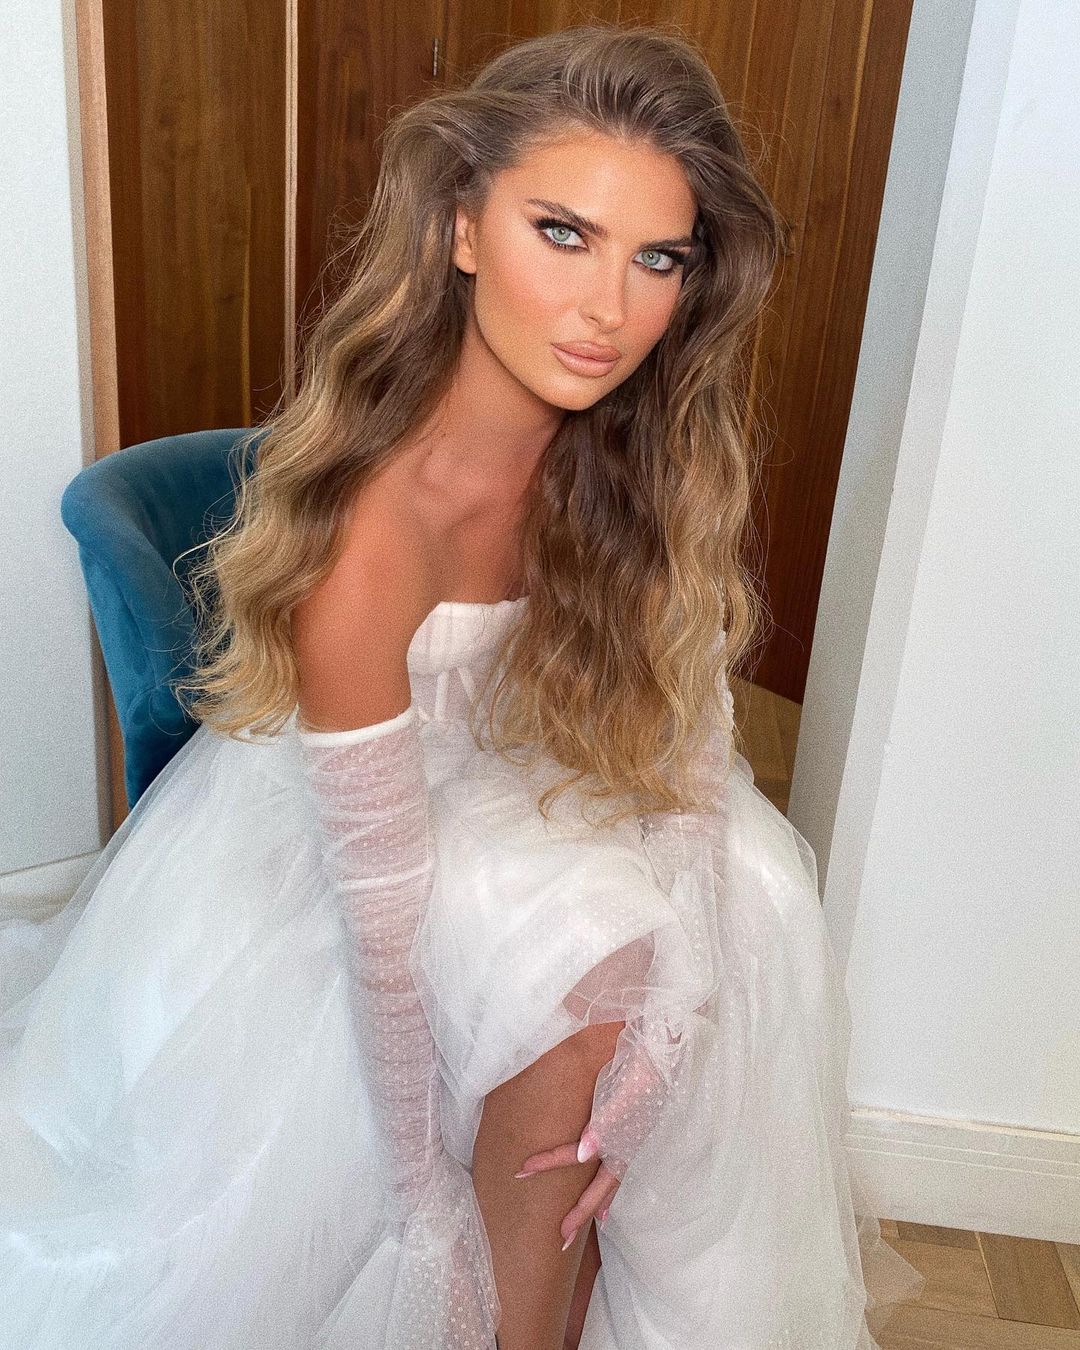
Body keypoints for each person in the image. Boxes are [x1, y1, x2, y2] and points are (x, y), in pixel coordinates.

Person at [0, 22, 926, 1350]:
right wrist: (421, 1216)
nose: (608, 309)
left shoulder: (644, 460)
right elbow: (383, 923)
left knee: (747, 886)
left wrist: (667, 1031)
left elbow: (687, 759)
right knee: (560, 943)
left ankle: (584, 1268)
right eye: (564, 233)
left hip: (544, 779)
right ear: (462, 227)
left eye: (656, 258)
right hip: (344, 864)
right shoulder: (373, 532)